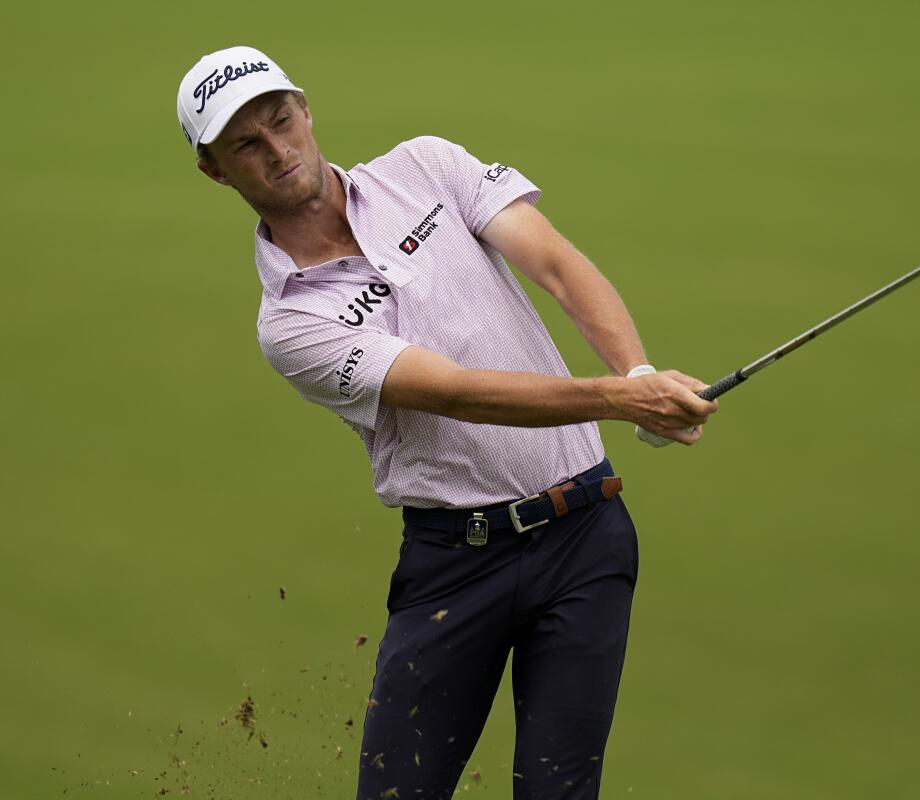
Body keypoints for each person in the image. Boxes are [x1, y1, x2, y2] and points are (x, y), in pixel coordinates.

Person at [177, 46, 718, 800]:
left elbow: (557, 265)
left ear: (305, 107)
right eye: (246, 144)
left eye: (281, 120)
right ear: (215, 171)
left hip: (585, 535)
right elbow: (458, 393)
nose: (278, 150)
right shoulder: (293, 323)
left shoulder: (425, 166)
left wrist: (636, 374)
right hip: (455, 570)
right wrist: (621, 400)